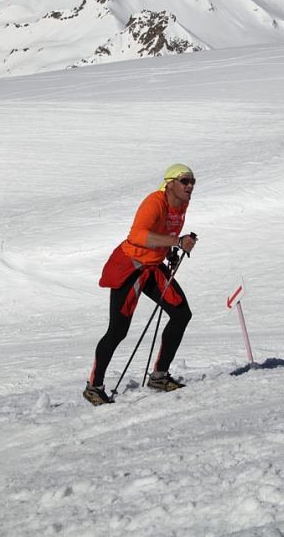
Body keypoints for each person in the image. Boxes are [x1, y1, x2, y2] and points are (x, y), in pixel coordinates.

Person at [83, 164, 197, 406]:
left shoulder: (181, 205)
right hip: (131, 267)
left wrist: (169, 251)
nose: (190, 186)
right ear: (170, 183)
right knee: (118, 330)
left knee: (181, 314)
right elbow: (137, 235)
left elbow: (163, 231)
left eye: (193, 182)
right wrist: (176, 241)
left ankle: (159, 376)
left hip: (154, 267)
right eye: (185, 180)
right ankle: (94, 386)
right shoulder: (154, 202)